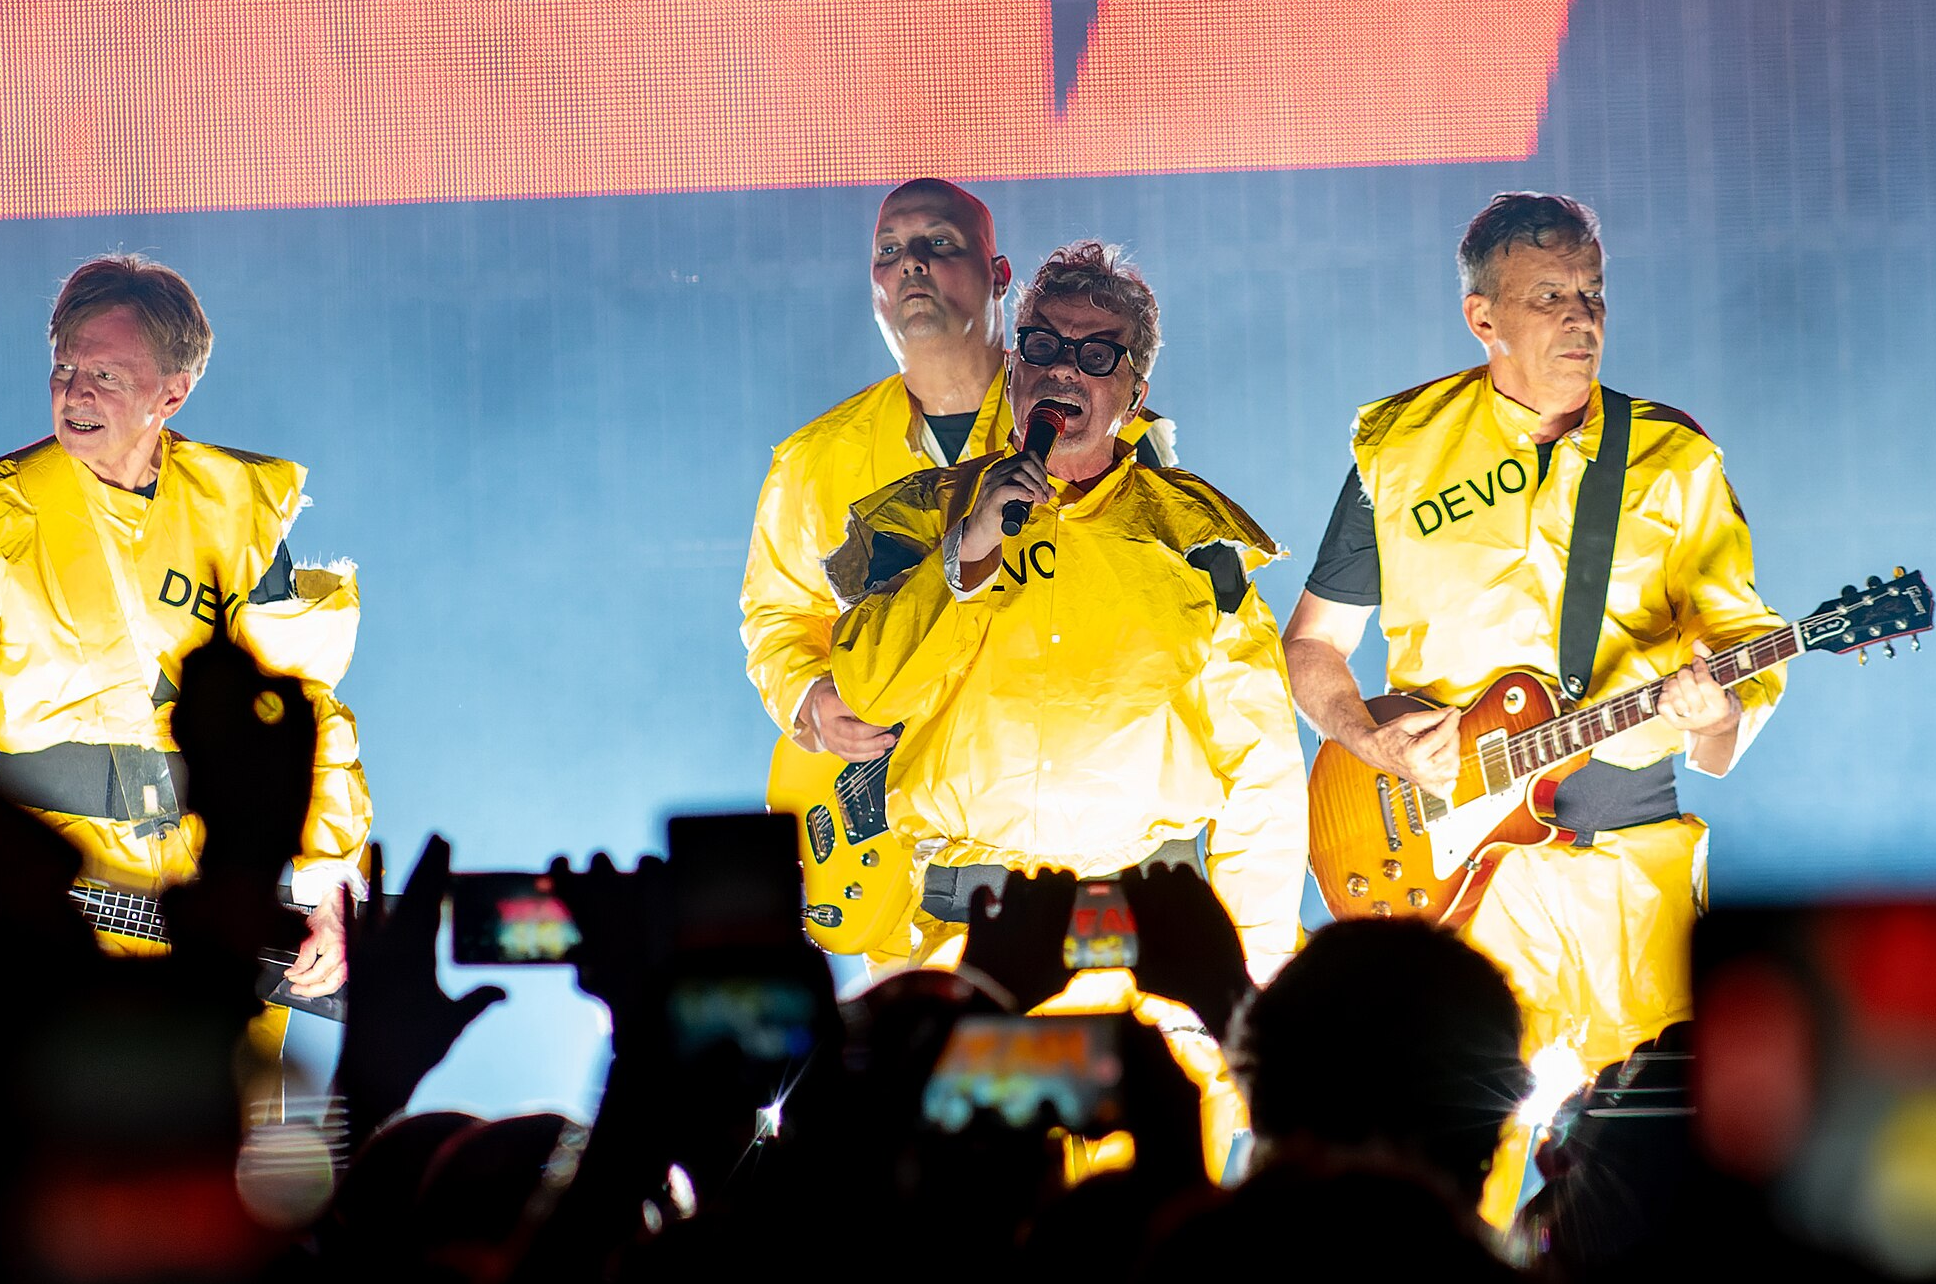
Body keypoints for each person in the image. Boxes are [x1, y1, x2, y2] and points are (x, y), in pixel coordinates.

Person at [1278, 192, 1786, 1218]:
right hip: (1456, 870)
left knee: (1653, 1181)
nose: (1580, 317)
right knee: (1444, 1169)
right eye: (1548, 295)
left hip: (1629, 866)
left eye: (1592, 293)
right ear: (1483, 318)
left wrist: (1714, 713)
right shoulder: (1400, 445)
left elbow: (1740, 660)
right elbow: (1313, 646)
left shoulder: (1675, 459)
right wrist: (1370, 740)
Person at [824, 241, 1307, 1174]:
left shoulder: (1194, 537)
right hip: (965, 943)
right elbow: (869, 691)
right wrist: (964, 557)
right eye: (1044, 345)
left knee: (1145, 1233)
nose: (1063, 371)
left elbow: (1263, 769)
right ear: (1015, 366)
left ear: (1133, 390)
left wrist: (1240, 978)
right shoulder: (917, 516)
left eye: (1096, 355)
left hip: (1143, 954)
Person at [741, 183, 1179, 965]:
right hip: (901, 858)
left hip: (1056, 849)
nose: (910, 264)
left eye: (938, 243)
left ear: (998, 274)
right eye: (889, 251)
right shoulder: (812, 461)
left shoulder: (1095, 422)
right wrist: (811, 701)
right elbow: (776, 619)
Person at [0, 254, 372, 1030]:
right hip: (47, 911)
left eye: (105, 374)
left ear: (172, 392)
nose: (75, 392)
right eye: (65, 367)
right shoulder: (8, 513)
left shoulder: (238, 512)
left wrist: (329, 881)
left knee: (218, 1103)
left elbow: (305, 705)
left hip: (217, 901)